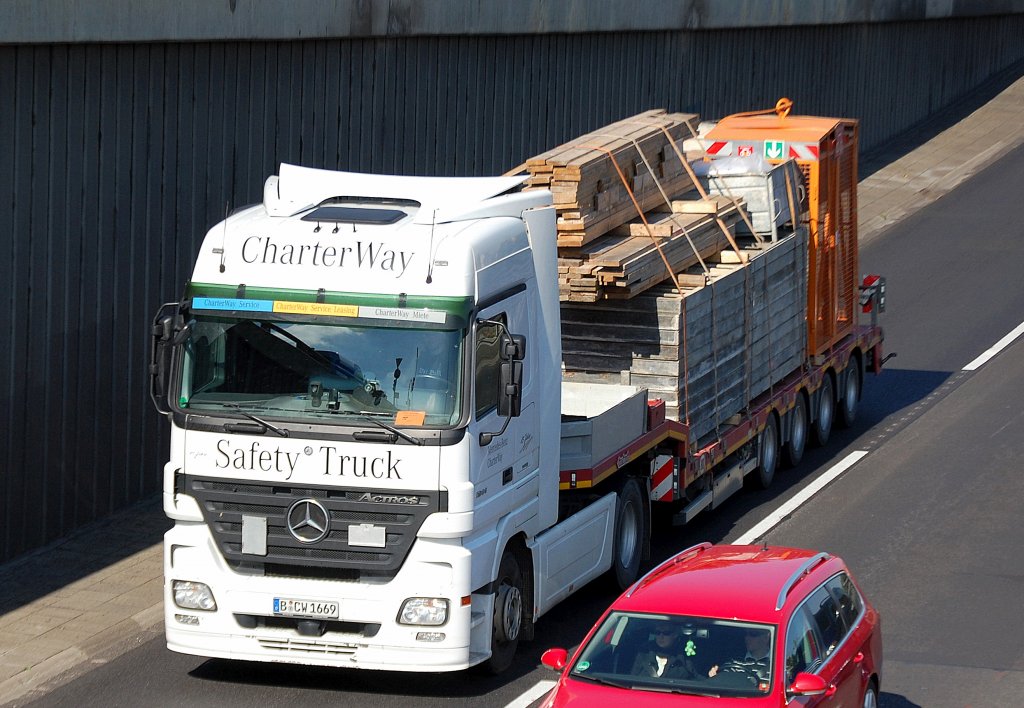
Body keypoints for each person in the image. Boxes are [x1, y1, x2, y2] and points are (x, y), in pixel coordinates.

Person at [630, 622, 697, 679]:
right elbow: (632, 679)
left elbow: (696, 680)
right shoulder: (644, 654)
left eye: (666, 633)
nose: (661, 636)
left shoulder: (684, 659)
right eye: (657, 633)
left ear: (675, 635)